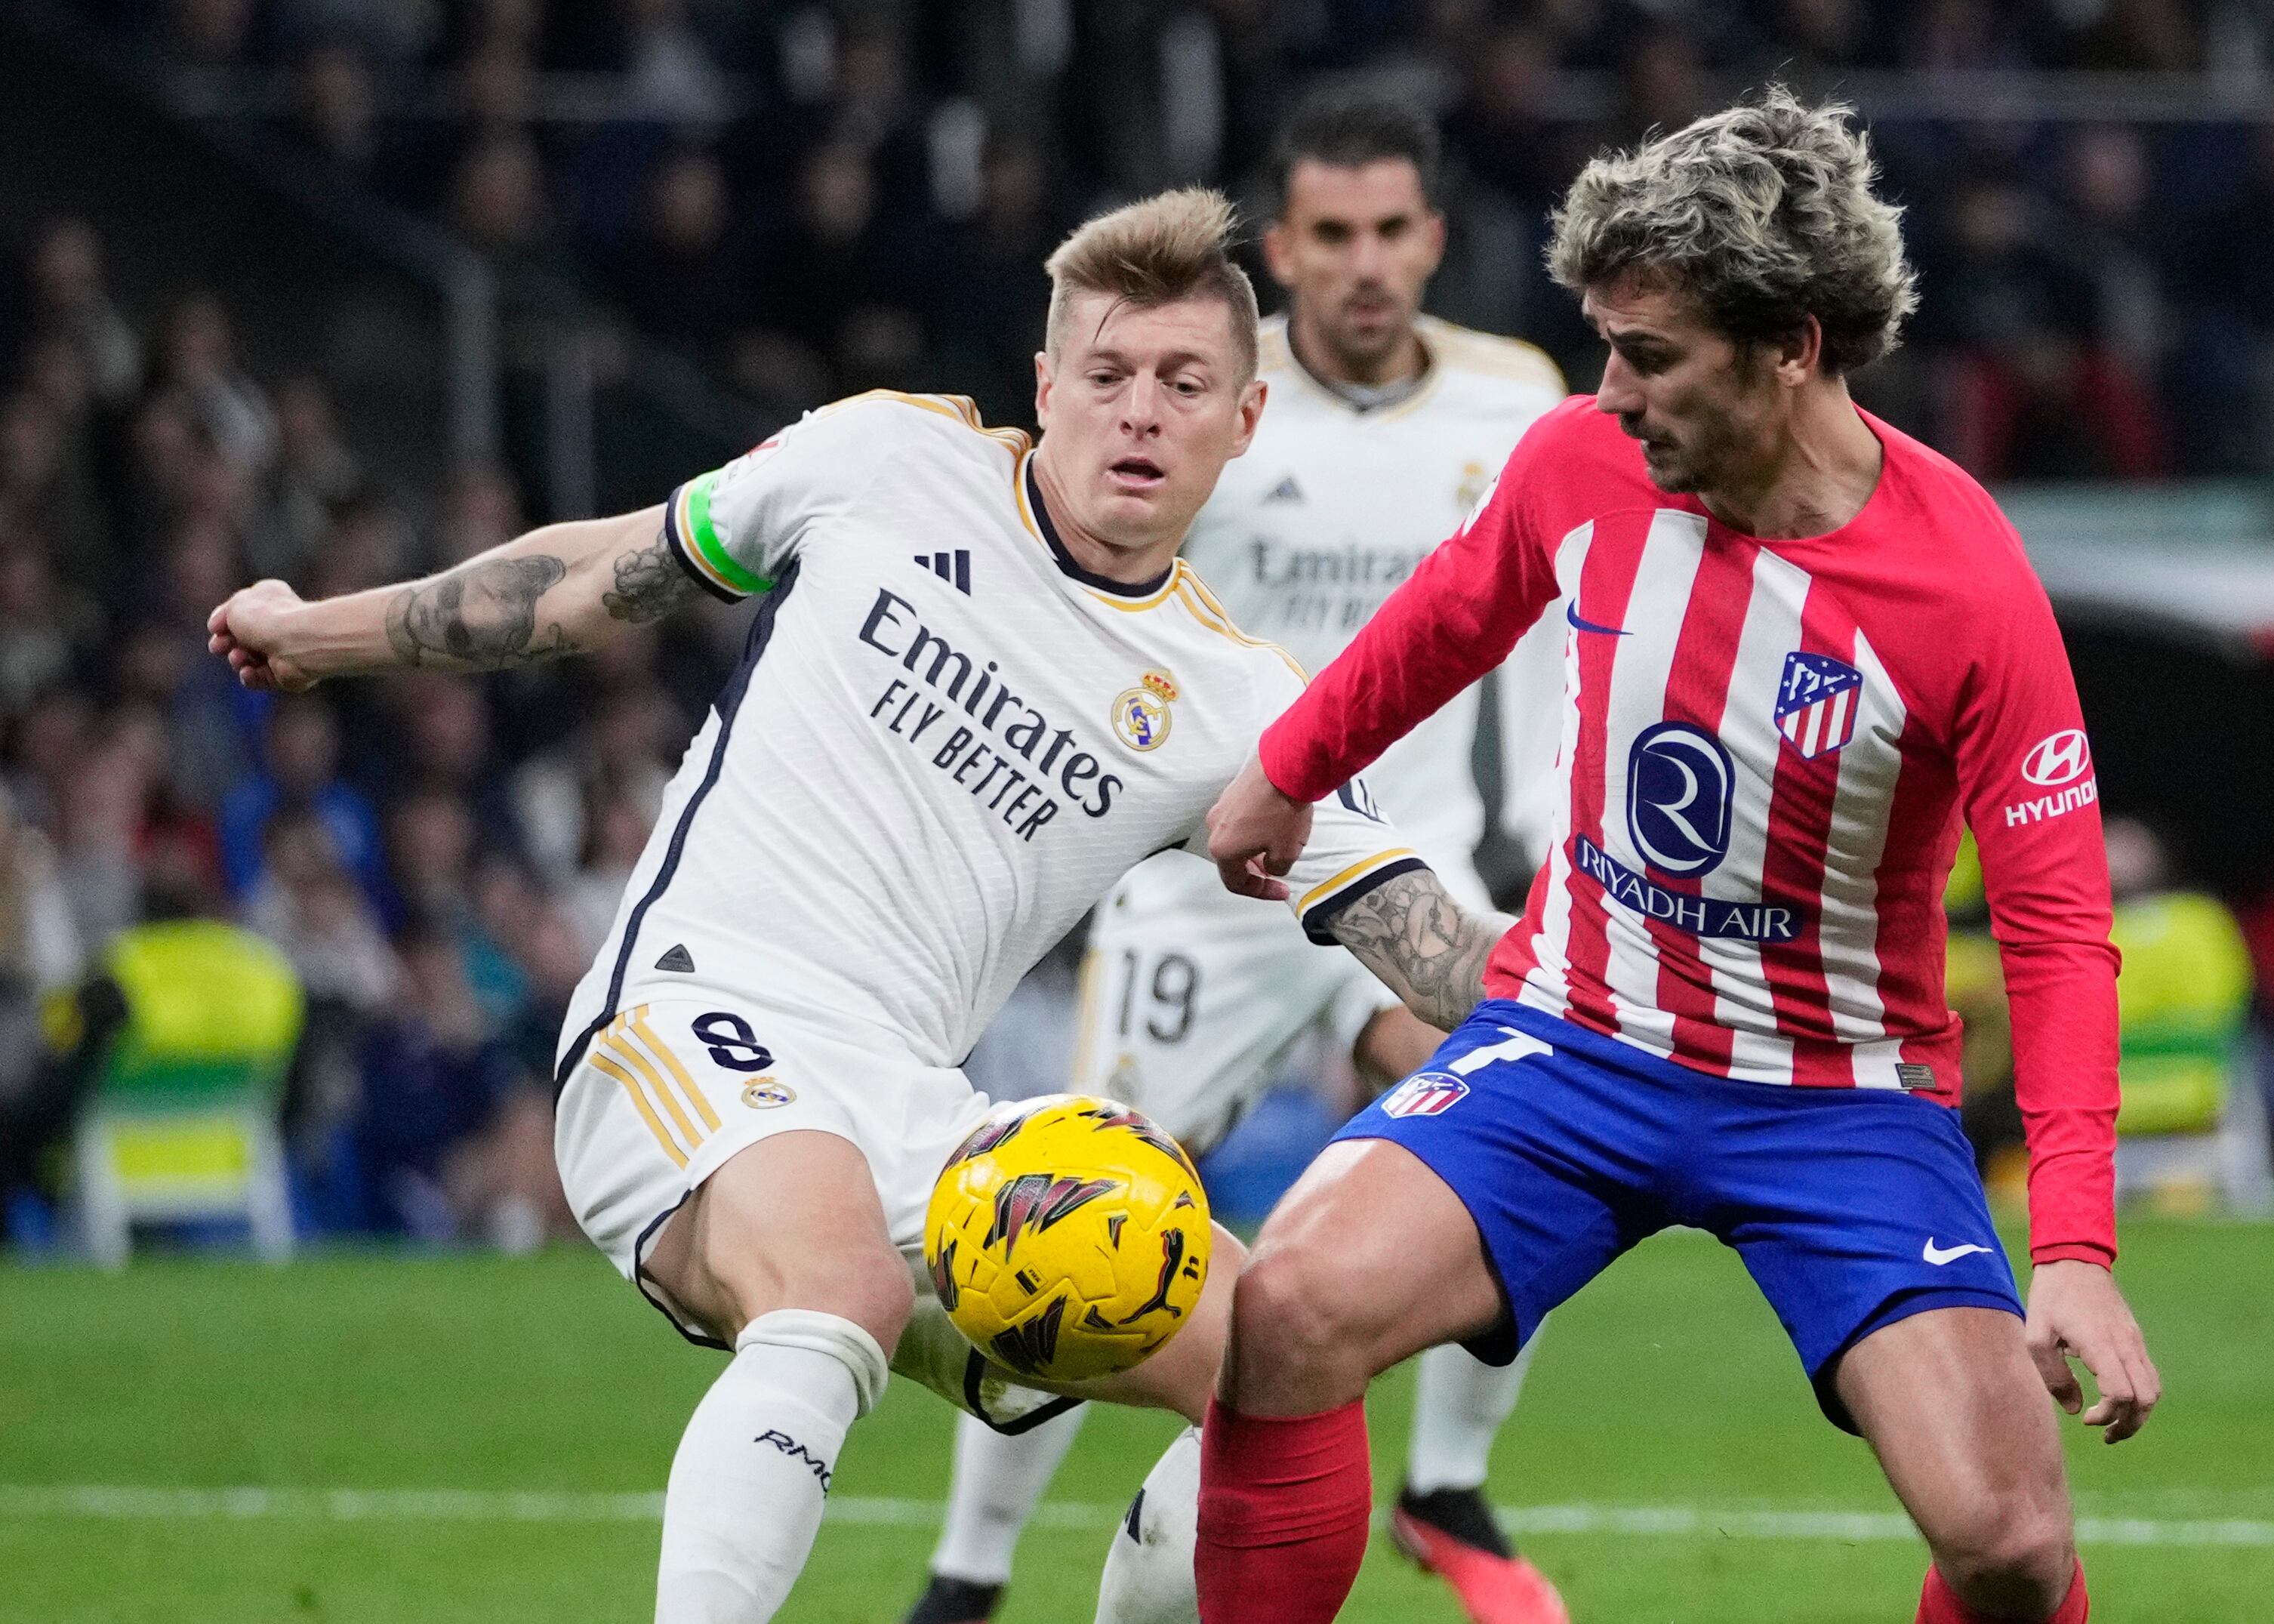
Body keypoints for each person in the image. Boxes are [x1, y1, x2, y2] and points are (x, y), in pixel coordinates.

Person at [205, 186, 1507, 1624]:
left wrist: (1662, 1030)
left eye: (1183, 383)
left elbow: (1433, 946)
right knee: (839, 1289)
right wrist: (316, 633)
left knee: (1276, 1357)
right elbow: (590, 579)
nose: (1140, 413)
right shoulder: (886, 458)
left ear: (1245, 419)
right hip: (694, 1015)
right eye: (1108, 374)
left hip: (916, 1107)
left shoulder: (1234, 705)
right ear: (1046, 386)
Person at [1197, 91, 2162, 1624]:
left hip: (1839, 1098)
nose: (1609, 392)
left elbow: (2054, 927)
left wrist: (2078, 1244)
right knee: (1287, 1306)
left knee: (2006, 1542)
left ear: (1787, 344)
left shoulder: (1963, 582)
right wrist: (1281, 772)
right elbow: (1452, 610)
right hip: (1574, 1041)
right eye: (1600, 345)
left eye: (1647, 355)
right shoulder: (1576, 463)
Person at [904, 93, 1570, 1624]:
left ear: (1431, 240)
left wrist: (1536, 817)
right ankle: (968, 1572)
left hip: (1404, 863)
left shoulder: (1511, 400)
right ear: (1283, 249)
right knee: (1075, 1215)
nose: (1361, 265)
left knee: (1524, 1128)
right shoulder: (1206, 394)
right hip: (1197, 879)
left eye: (1388, 231)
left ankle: (1448, 1478)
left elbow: (1548, 620)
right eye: (1328, 235)